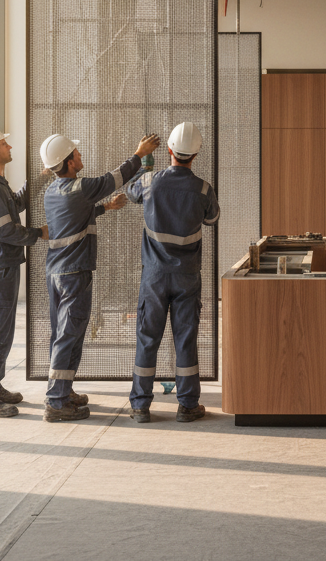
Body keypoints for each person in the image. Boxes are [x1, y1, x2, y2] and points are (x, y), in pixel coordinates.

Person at [39, 131, 162, 422]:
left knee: (64, 334)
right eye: (77, 155)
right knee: (69, 336)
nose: (81, 157)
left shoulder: (53, 190)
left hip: (56, 271)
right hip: (74, 273)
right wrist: (139, 153)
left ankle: (63, 389)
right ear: (68, 163)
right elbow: (114, 179)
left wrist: (105, 208)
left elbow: (75, 215)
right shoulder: (80, 186)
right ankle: (56, 401)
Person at [125, 121, 220, 423]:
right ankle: (188, 404)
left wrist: (143, 165)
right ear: (196, 155)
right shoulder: (203, 189)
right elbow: (212, 218)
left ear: (169, 150)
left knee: (147, 338)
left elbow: (130, 192)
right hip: (186, 276)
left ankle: (140, 406)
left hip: (154, 276)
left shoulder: (150, 182)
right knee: (185, 338)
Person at [0, 123, 47, 418]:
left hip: (3, 264)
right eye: (4, 144)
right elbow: (5, 231)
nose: (9, 147)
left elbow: (15, 204)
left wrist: (41, 179)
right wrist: (40, 233)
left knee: (1, 328)